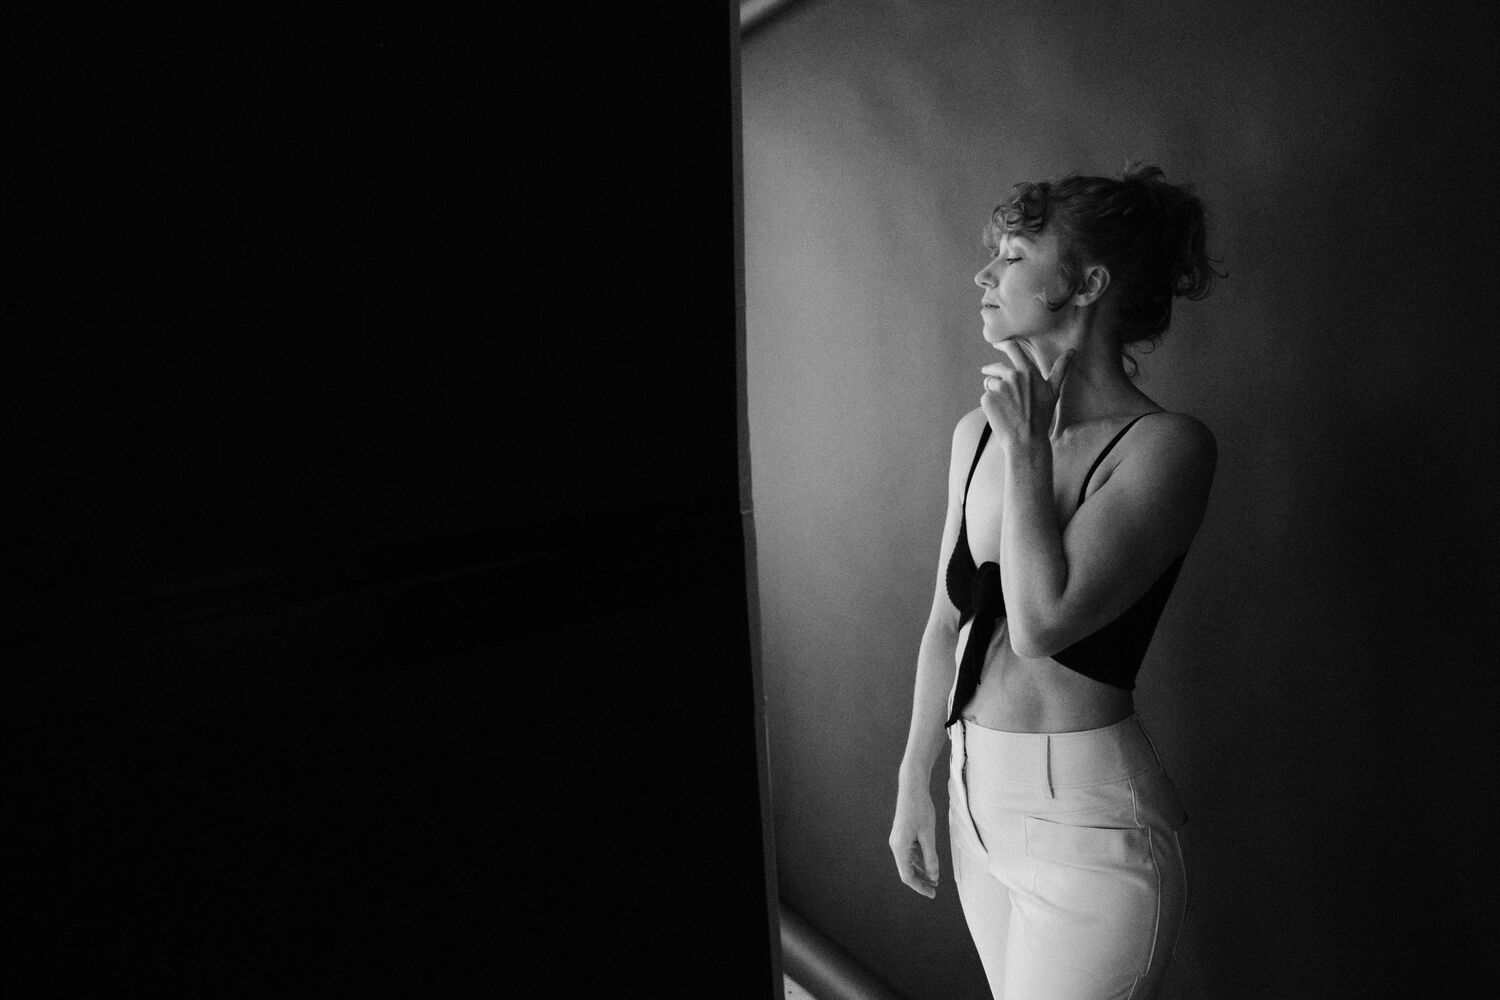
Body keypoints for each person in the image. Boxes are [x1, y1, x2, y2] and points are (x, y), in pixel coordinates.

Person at [888, 163, 1224, 1000]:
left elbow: (1042, 626)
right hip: (974, 803)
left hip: (1087, 828)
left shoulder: (1166, 448)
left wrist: (1029, 451)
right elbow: (945, 623)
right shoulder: (974, 435)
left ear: (1088, 284)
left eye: (1012, 256)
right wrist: (914, 781)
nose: (984, 275)